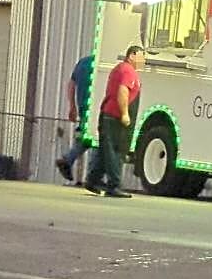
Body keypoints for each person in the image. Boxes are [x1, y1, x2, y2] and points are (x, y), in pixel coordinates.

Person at [84, 45, 145, 198]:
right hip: (114, 117)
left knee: (106, 150)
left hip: (108, 115)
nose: (143, 60)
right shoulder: (128, 71)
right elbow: (123, 91)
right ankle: (114, 185)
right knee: (116, 152)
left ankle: (93, 180)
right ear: (132, 55)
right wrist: (124, 114)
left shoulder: (120, 69)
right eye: (141, 56)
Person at [56, 54, 94, 184]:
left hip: (83, 107)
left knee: (86, 138)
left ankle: (68, 160)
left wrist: (72, 106)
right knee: (96, 140)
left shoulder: (83, 63)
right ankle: (92, 177)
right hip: (96, 107)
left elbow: (71, 85)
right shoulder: (103, 63)